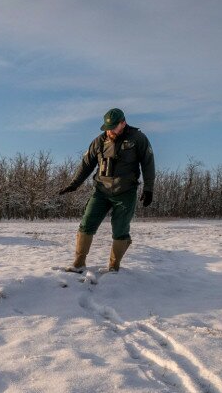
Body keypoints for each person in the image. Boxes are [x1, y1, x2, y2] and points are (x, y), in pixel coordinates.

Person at [58, 108, 155, 272]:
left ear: (123, 123)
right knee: (87, 223)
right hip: (101, 191)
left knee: (120, 229)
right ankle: (79, 263)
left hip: (125, 192)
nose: (109, 131)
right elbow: (86, 164)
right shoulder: (99, 141)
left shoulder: (138, 138)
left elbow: (148, 162)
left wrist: (148, 188)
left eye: (113, 127)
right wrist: (74, 184)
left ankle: (113, 266)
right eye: (107, 128)